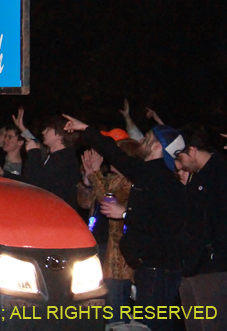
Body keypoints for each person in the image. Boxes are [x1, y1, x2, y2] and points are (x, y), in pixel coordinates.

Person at [64, 115, 186, 331]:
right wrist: (86, 128)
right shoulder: (150, 173)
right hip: (149, 266)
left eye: (147, 138)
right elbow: (115, 155)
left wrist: (126, 213)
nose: (142, 142)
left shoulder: (161, 178)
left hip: (158, 267)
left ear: (158, 146)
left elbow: (165, 222)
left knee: (152, 324)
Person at [77, 140, 141, 320]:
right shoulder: (110, 179)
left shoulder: (131, 182)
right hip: (97, 244)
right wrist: (88, 178)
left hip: (115, 254)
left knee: (114, 302)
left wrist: (95, 173)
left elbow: (109, 200)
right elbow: (85, 202)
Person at [174, 124, 227, 331]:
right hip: (194, 263)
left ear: (193, 151)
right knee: (195, 323)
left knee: (211, 323)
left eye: (181, 157)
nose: (180, 165)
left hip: (212, 264)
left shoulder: (218, 173)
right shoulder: (200, 175)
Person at [21, 114, 81, 211]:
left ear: (59, 135)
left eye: (48, 129)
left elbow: (36, 183)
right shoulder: (53, 156)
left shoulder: (65, 160)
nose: (43, 132)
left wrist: (33, 153)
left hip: (55, 215)